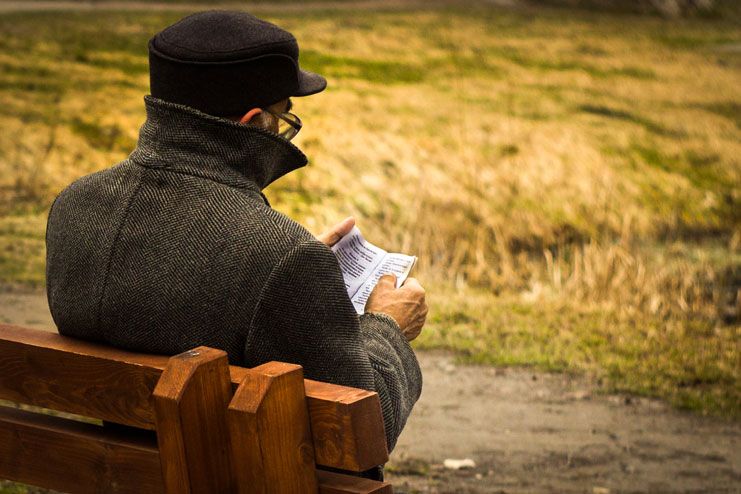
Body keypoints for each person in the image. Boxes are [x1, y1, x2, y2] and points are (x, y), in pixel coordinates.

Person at [44, 9, 426, 471]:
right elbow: (366, 428)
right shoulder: (279, 258)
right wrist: (388, 327)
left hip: (112, 474)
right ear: (254, 122)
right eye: (285, 120)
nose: (285, 130)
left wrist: (301, 273)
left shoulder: (74, 206)